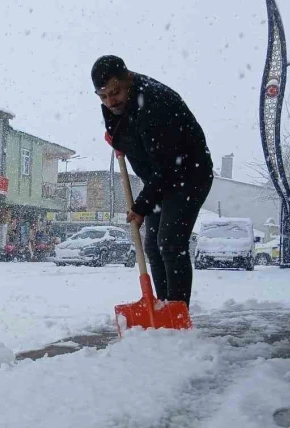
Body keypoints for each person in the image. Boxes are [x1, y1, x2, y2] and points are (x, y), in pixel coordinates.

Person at [91, 55, 214, 306]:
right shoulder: (115, 102)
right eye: (102, 96)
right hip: (161, 179)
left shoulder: (156, 102)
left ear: (129, 78)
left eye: (114, 93)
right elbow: (123, 128)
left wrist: (140, 207)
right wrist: (116, 139)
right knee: (153, 247)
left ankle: (177, 312)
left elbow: (167, 166)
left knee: (170, 243)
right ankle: (162, 307)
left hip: (188, 175)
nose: (109, 101)